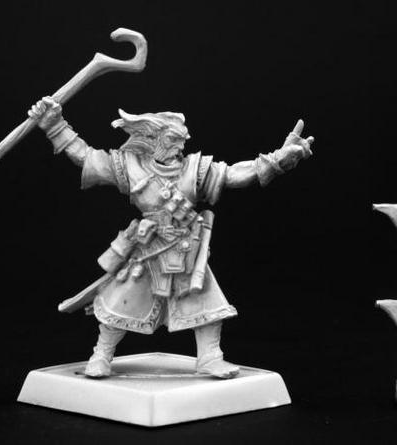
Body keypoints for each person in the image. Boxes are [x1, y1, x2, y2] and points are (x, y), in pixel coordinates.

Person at [28, 97, 314, 378]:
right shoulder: (129, 166)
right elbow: (86, 157)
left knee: (208, 305)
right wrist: (55, 125)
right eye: (173, 139)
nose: (180, 146)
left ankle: (210, 358)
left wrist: (277, 160)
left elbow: (233, 174)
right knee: (120, 302)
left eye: (182, 140)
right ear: (152, 138)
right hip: (148, 247)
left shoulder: (194, 169)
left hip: (186, 250)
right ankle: (101, 355)